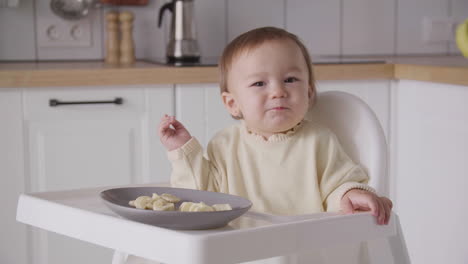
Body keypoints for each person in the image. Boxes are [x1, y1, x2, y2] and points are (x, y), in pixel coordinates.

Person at [159, 27, 392, 225]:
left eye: (290, 80)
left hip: (304, 252)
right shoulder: (224, 145)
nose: (278, 92)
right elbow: (200, 196)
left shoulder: (319, 141)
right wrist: (182, 150)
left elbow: (338, 185)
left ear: (309, 93)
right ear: (232, 103)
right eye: (259, 83)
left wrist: (351, 194)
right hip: (239, 254)